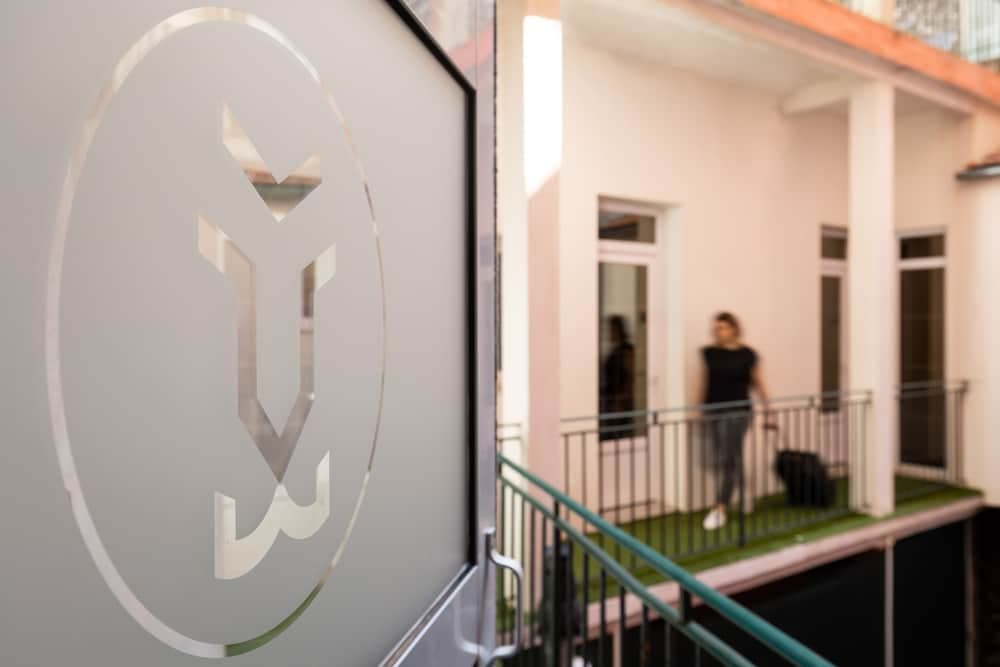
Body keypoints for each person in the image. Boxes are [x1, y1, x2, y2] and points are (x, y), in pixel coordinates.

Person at [699, 312, 772, 531]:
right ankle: (745, 492)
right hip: (713, 411)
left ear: (733, 329)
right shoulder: (709, 353)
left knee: (728, 459)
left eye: (722, 327)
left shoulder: (747, 355)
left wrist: (769, 410)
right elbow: (704, 381)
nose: (718, 332)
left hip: (738, 412)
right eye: (715, 328)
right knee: (730, 456)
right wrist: (699, 408)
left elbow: (759, 383)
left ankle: (720, 508)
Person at [599, 315, 635, 439]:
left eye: (612, 329)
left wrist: (620, 401)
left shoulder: (627, 351)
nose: (609, 333)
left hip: (620, 404)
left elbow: (629, 378)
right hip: (612, 402)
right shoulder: (614, 352)